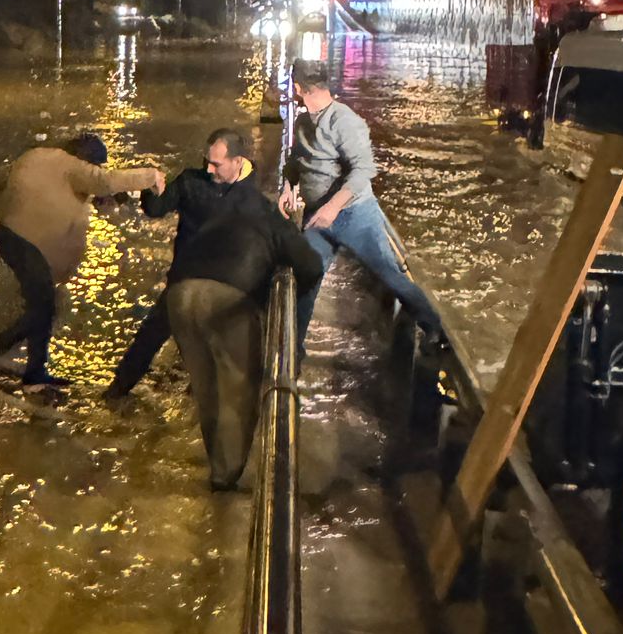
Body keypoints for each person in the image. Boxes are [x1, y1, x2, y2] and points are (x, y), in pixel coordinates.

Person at [0, 133, 162, 393]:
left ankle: (33, 372)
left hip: (11, 234)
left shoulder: (40, 156)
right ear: (85, 160)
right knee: (43, 308)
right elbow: (104, 181)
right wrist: (151, 176)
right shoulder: (71, 166)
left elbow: (0, 186)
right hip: (25, 242)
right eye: (93, 165)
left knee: (44, 305)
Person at [281, 58, 446, 350]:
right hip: (318, 220)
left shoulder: (344, 121)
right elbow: (296, 161)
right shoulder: (305, 121)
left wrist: (333, 207)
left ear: (297, 87)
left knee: (389, 274)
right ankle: (293, 351)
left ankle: (434, 327)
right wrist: (287, 186)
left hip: (354, 216)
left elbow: (364, 170)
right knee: (306, 277)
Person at [165, 186, 324, 487]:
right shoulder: (274, 222)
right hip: (228, 301)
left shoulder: (220, 216)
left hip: (180, 295)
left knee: (205, 388)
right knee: (236, 393)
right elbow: (312, 266)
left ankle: (217, 462)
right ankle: (225, 478)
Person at [105, 126, 259, 398]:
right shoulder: (191, 181)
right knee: (151, 337)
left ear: (238, 162)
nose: (209, 170)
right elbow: (156, 209)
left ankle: (196, 400)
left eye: (216, 164)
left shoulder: (251, 195)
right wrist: (152, 188)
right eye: (207, 161)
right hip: (186, 281)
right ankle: (117, 393)